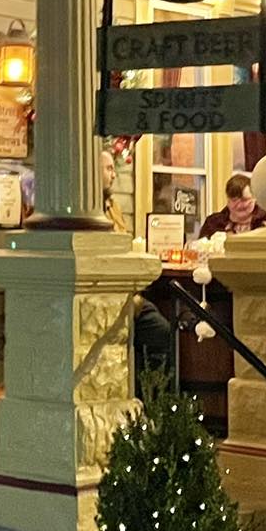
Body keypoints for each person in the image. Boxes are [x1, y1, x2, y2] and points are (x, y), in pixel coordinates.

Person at [102, 149, 173, 376]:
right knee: (155, 332)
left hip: (129, 295)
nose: (114, 174)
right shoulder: (91, 213)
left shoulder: (113, 207)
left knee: (162, 330)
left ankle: (149, 388)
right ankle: (144, 387)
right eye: (108, 168)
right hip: (106, 296)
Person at [198, 173, 266, 239]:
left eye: (244, 200)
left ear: (255, 198)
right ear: (228, 200)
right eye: (234, 200)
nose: (239, 205)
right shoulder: (213, 224)